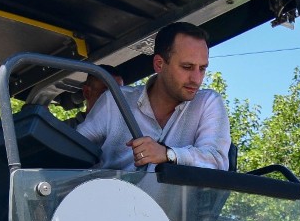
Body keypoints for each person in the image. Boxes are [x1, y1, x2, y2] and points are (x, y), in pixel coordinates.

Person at [77, 22, 229, 172]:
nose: (196, 79)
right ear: (159, 64)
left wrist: (168, 154)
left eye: (202, 68)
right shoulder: (115, 101)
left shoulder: (208, 103)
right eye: (187, 67)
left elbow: (216, 161)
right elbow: (74, 149)